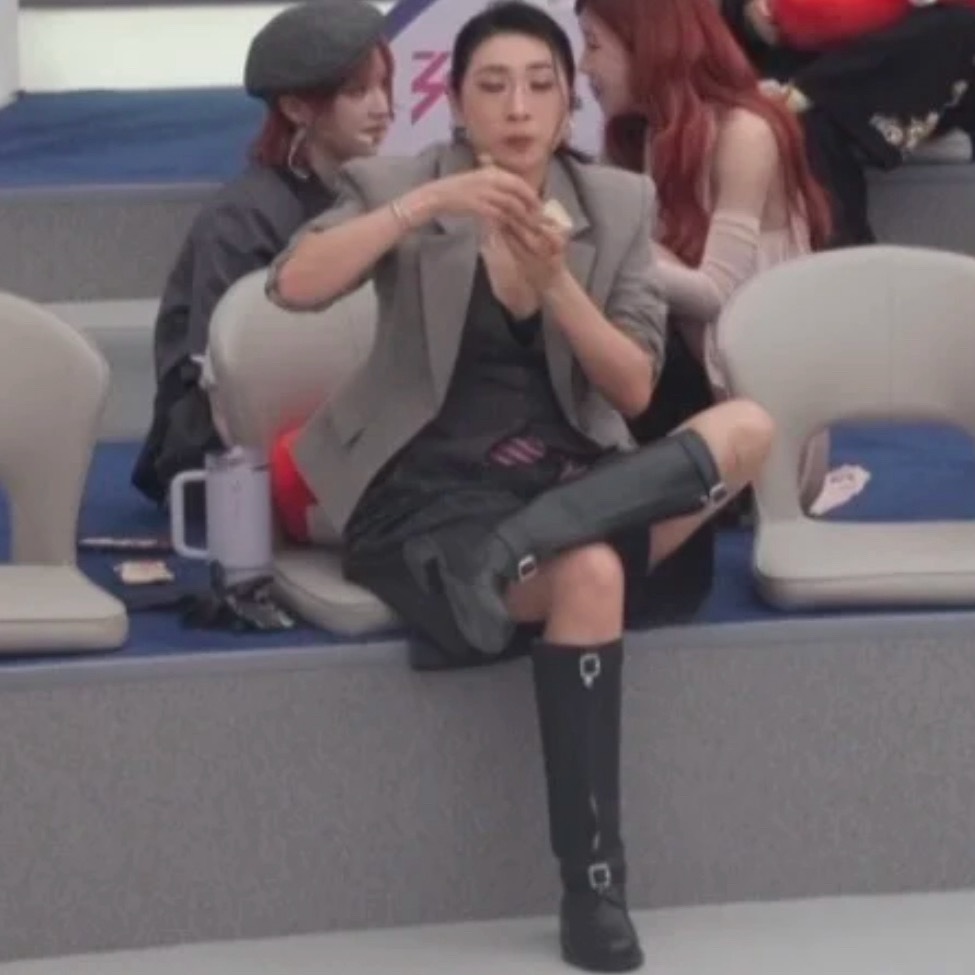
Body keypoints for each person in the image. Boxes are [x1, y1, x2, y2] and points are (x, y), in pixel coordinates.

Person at [267, 3, 774, 970]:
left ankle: (517, 549)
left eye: (542, 85)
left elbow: (632, 389)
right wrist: (426, 205)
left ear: (569, 100)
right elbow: (293, 285)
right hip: (429, 491)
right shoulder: (400, 183)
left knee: (745, 427)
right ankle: (595, 890)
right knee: (592, 572)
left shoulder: (613, 202)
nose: (517, 107)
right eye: (492, 86)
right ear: (455, 104)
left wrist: (556, 283)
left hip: (569, 474)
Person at [131, 0, 393, 507]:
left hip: (339, 421)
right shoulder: (241, 221)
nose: (382, 107)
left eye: (384, 86)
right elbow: (225, 378)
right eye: (357, 91)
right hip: (229, 448)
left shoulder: (369, 193)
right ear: (296, 109)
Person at [575, 0, 832, 508]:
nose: (583, 67)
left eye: (593, 46)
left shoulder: (746, 133)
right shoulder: (637, 135)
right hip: (691, 376)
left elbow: (719, 295)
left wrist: (608, 249)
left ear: (648, 45)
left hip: (758, 421)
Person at [721, 0, 975, 246]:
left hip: (916, 63)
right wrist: (750, 13)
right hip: (806, 57)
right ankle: (844, 252)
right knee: (813, 118)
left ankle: (810, 91)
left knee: (959, 24)